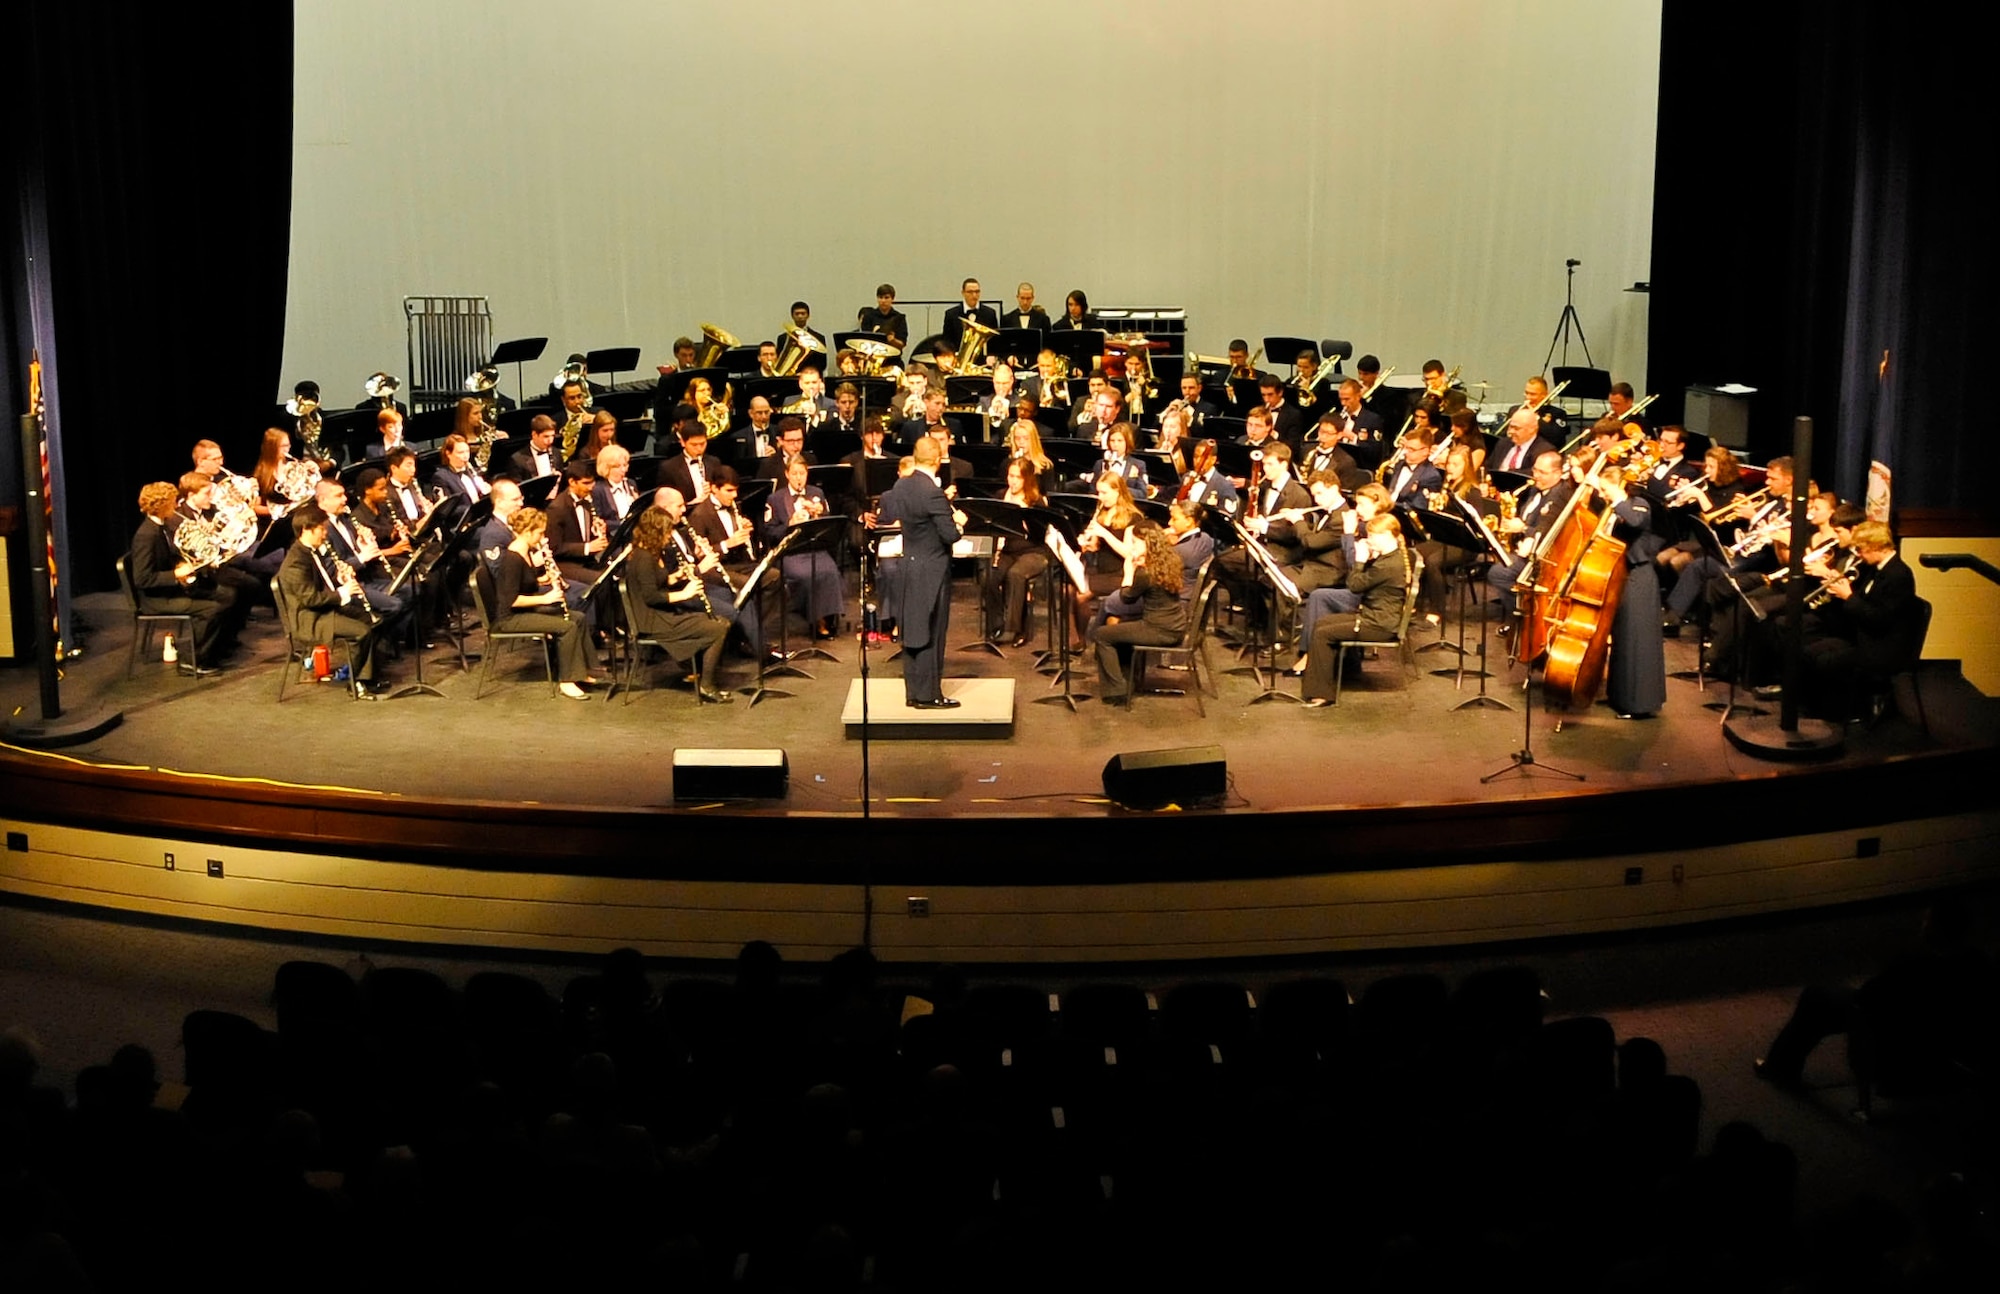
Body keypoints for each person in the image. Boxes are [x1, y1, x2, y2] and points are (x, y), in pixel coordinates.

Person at [1801, 520, 1921, 723]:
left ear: (1876, 546)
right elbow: (1866, 601)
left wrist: (1848, 596)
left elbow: (1880, 619)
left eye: (1861, 548)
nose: (1859, 554)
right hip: (1867, 636)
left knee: (1826, 661)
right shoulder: (1877, 568)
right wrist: (1843, 586)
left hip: (1884, 647)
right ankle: (1815, 710)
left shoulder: (1898, 574)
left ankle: (1836, 716)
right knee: (1809, 650)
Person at [879, 436, 963, 707]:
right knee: (932, 631)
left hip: (908, 565)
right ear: (938, 460)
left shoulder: (901, 485)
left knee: (912, 630)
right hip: (932, 570)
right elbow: (949, 535)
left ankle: (914, 693)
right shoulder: (932, 492)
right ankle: (930, 696)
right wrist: (959, 524)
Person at [1300, 513, 1413, 706]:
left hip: (1378, 625)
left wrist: (1360, 560)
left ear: (1386, 535)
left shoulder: (1387, 566)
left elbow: (1354, 585)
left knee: (1323, 634)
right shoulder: (1390, 558)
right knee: (1322, 623)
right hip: (1376, 617)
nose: (1368, 541)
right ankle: (1342, 672)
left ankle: (1322, 693)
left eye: (1372, 536)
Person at [129, 481, 242, 673]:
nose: (176, 505)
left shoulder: (160, 527)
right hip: (157, 600)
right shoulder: (146, 535)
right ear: (162, 505)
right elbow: (142, 578)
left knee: (227, 594)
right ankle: (192, 661)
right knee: (212, 609)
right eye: (173, 502)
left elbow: (167, 557)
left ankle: (215, 649)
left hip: (170, 590)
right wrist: (175, 574)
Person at [624, 505, 732, 702]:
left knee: (722, 621)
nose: (669, 536)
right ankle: (707, 685)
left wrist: (675, 577)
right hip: (652, 620)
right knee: (716, 629)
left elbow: (657, 582)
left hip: (661, 614)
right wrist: (685, 593)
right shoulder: (643, 558)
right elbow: (651, 596)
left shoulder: (653, 553)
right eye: (666, 532)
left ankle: (699, 673)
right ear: (656, 533)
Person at [279, 502, 385, 698]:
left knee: (372, 620)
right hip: (310, 619)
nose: (325, 533)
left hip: (323, 609)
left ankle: (365, 678)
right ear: (306, 530)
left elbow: (322, 583)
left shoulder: (309, 551)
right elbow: (310, 599)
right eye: (321, 529)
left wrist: (340, 578)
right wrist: (343, 593)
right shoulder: (295, 562)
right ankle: (356, 684)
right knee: (361, 632)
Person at [488, 506, 594, 699]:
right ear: (527, 532)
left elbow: (522, 583)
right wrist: (546, 598)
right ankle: (567, 680)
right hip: (510, 618)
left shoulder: (525, 550)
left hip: (524, 612)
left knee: (578, 617)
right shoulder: (512, 558)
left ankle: (580, 671)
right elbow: (511, 599)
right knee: (567, 627)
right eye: (539, 532)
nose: (542, 536)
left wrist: (542, 580)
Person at [1091, 523, 1187, 706]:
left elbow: (1126, 598)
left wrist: (1129, 571)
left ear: (1147, 543)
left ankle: (1116, 690)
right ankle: (1127, 682)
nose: (1132, 547)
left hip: (1159, 630)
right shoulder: (1170, 560)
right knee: (1120, 630)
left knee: (1102, 635)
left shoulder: (1145, 573)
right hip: (1175, 625)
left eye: (1135, 543)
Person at [762, 455, 844, 641]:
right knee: (806, 576)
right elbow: (769, 531)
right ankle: (815, 619)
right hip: (791, 552)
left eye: (802, 473)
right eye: (795, 473)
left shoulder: (817, 493)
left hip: (814, 547)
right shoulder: (775, 499)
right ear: (787, 474)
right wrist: (789, 524)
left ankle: (827, 618)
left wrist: (819, 515)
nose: (799, 478)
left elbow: (829, 525)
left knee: (830, 571)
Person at [983, 457, 1049, 647]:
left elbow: (1039, 534)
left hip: (1033, 551)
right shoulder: (1000, 496)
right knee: (991, 577)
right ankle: (996, 624)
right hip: (1007, 550)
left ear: (1026, 479)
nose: (1012, 481)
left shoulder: (1036, 501)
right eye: (1010, 476)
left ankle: (1014, 629)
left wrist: (1023, 515)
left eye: (1017, 477)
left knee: (1016, 574)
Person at [1084, 423, 1149, 496]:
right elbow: (1092, 491)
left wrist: (1120, 490)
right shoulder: (1100, 464)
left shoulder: (1138, 465)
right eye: (1112, 440)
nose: (1115, 444)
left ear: (1127, 442)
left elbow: (1143, 494)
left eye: (1120, 441)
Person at [1491, 407, 1556, 477]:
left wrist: (1506, 472)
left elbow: (1533, 473)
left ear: (1532, 429)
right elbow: (1488, 466)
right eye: (1510, 427)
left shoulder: (1544, 450)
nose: (1511, 431)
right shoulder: (1503, 443)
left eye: (1516, 428)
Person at [943, 277, 1000, 349]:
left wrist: (991, 355)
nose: (974, 295)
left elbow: (995, 340)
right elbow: (947, 342)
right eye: (970, 292)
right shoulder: (951, 314)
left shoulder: (990, 314)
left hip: (983, 358)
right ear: (963, 293)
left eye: (977, 292)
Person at [856, 284, 909, 350]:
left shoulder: (899, 318)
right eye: (880, 297)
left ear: (892, 299)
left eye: (886, 297)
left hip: (893, 358)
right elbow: (864, 341)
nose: (883, 301)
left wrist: (893, 340)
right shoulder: (868, 316)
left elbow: (902, 344)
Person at [510, 416, 561, 481]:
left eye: (552, 436)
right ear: (534, 434)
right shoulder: (517, 460)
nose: (551, 440)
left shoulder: (556, 453)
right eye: (546, 436)